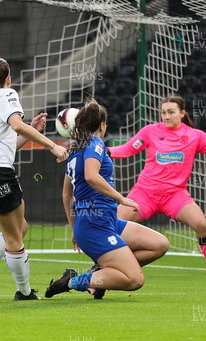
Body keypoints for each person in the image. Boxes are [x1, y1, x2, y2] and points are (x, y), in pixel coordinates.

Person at [0, 58, 68, 302]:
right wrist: (53, 146)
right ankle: (24, 292)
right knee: (15, 236)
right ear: (8, 78)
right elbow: (17, 126)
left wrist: (32, 129)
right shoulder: (5, 94)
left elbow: (9, 143)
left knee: (19, 228)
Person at [108, 94, 206, 274]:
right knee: (112, 222)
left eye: (171, 112)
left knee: (203, 226)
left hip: (175, 195)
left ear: (182, 113)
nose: (166, 116)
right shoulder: (150, 131)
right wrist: (106, 150)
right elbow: (127, 150)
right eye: (163, 112)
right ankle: (106, 260)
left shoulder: (194, 136)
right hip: (145, 193)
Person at [45, 98, 169, 299]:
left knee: (159, 244)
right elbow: (91, 176)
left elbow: (66, 194)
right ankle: (73, 281)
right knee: (135, 279)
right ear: (102, 125)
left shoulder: (74, 150)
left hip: (104, 221)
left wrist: (73, 227)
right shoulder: (95, 144)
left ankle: (102, 275)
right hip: (95, 224)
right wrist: (122, 199)